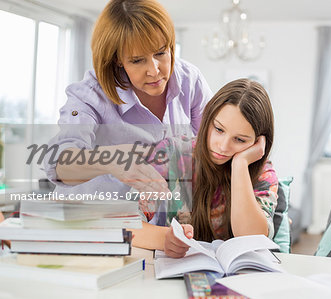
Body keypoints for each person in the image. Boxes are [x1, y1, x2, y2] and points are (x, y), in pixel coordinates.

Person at [44, 0, 212, 196]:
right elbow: (59, 163)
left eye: (161, 53)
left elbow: (214, 142)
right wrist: (110, 160)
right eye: (137, 60)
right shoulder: (90, 95)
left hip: (157, 220)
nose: (154, 70)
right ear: (117, 59)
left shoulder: (189, 80)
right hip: (91, 218)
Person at [131, 78, 278, 258]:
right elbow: (126, 221)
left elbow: (252, 239)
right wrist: (165, 239)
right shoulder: (172, 153)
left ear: (258, 142)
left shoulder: (263, 173)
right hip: (180, 270)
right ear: (207, 118)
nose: (223, 146)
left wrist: (240, 165)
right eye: (219, 129)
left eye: (240, 140)